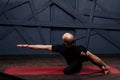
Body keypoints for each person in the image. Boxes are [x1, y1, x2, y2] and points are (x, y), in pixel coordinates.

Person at [17, 32, 110, 75]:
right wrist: (28, 45)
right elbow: (43, 47)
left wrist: (27, 46)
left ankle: (103, 67)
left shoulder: (62, 48)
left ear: (65, 42)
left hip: (77, 62)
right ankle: (101, 66)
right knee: (88, 55)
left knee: (67, 71)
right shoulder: (79, 48)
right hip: (79, 58)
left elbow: (43, 47)